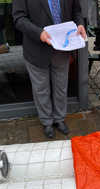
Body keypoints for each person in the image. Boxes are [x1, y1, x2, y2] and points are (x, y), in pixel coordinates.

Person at [12, 0, 86, 138]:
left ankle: (59, 119)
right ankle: (47, 122)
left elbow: (76, 11)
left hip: (62, 48)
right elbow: (19, 18)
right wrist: (39, 33)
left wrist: (80, 24)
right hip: (36, 48)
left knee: (61, 87)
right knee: (41, 89)